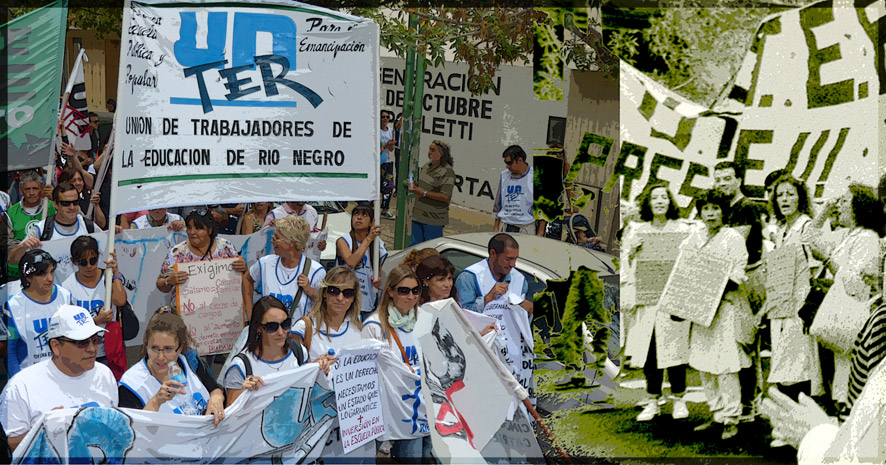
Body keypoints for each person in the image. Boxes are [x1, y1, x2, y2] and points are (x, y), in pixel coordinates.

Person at [622, 183, 698, 422]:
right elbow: (625, 265)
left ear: (670, 201)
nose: (660, 201)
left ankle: (679, 399)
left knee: (675, 351)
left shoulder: (683, 229)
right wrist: (631, 253)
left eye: (664, 197)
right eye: (654, 198)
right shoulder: (637, 231)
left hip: (673, 299)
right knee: (650, 353)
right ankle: (653, 400)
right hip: (647, 300)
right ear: (648, 203)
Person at [679, 190, 752, 440]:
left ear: (724, 211)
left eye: (716, 208)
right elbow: (684, 268)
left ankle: (732, 417)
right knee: (703, 364)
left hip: (725, 307)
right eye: (706, 208)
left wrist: (714, 288)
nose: (711, 213)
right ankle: (717, 413)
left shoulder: (733, 237)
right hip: (700, 310)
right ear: (700, 212)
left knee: (726, 365)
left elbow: (739, 273)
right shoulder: (694, 236)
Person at [804, 183, 880, 414]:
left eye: (845, 201)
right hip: (834, 310)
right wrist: (825, 209)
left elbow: (856, 283)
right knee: (834, 371)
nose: (840, 206)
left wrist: (828, 260)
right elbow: (809, 237)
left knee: (845, 373)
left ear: (859, 207)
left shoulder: (867, 238)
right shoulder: (846, 235)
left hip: (849, 314)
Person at [0, 305, 117, 452]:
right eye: (82, 342)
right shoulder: (21, 386)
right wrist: (43, 430)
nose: (92, 349)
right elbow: (13, 444)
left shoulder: (104, 374)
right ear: (56, 346)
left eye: (95, 340)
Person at [757, 176, 822, 408]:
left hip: (800, 306)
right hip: (780, 307)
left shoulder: (806, 226)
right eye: (780, 195)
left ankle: (800, 420)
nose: (785, 199)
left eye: (790, 194)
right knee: (784, 362)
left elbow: (819, 266)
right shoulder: (781, 230)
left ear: (800, 198)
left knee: (799, 364)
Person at [362, 265, 431, 462]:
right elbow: (364, 372)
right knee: (366, 460)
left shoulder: (424, 321)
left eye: (415, 290)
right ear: (390, 291)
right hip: (381, 408)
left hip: (412, 408)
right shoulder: (374, 326)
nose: (411, 296)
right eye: (404, 290)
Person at [454, 233, 534, 399]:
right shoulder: (470, 278)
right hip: (480, 357)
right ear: (492, 254)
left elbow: (523, 323)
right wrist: (487, 299)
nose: (513, 264)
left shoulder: (519, 280)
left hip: (510, 360)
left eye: (515, 259)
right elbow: (461, 317)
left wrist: (528, 311)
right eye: (508, 259)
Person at [118, 307, 226, 426]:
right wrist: (156, 402)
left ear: (180, 348)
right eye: (154, 348)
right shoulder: (132, 385)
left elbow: (215, 388)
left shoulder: (191, 362)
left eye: (168, 349)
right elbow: (131, 432)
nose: (160, 357)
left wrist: (217, 397)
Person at [223, 296, 309, 407]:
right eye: (272, 327)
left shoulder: (299, 352)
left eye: (285, 324)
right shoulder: (241, 367)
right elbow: (230, 415)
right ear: (258, 328)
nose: (281, 332)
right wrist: (243, 392)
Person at [242, 215, 326, 320]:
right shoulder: (265, 263)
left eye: (277, 238)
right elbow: (247, 279)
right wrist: (251, 315)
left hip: (299, 335)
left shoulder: (316, 271)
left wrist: (310, 290)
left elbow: (326, 303)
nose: (272, 241)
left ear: (291, 242)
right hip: (269, 333)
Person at [5, 250, 73, 376]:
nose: (50, 278)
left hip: (64, 373)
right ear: (28, 277)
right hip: (29, 376)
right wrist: (19, 382)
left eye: (52, 271)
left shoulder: (66, 297)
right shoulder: (14, 307)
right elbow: (11, 353)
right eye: (42, 274)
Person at [61, 236, 128, 363]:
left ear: (99, 256)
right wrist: (97, 320)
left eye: (93, 260)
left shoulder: (109, 277)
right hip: (82, 353)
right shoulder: (67, 287)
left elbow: (120, 301)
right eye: (83, 262)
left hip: (111, 350)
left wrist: (116, 273)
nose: (89, 266)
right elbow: (69, 327)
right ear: (73, 262)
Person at [156, 208, 247, 300]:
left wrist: (243, 268)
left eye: (198, 228)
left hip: (221, 307)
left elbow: (240, 276)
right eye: (189, 228)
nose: (192, 232)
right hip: (187, 309)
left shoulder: (226, 246)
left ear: (210, 230)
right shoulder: (177, 253)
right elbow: (160, 283)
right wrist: (168, 281)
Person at [10, 182, 101, 266]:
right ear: (55, 204)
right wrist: (23, 247)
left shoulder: (88, 226)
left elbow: (107, 248)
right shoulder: (42, 228)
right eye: (66, 203)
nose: (72, 207)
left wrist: (115, 233)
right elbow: (13, 260)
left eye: (75, 202)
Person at [335, 204, 387, 317]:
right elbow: (351, 262)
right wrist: (369, 239)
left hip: (368, 301)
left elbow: (377, 272)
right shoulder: (343, 241)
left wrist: (377, 280)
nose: (359, 217)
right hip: (346, 301)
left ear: (371, 222)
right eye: (356, 214)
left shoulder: (378, 245)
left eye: (364, 215)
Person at [4, 171, 55, 278]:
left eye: (35, 189)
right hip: (18, 271)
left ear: (41, 189)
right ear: (21, 191)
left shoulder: (52, 206)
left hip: (47, 268)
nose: (31, 193)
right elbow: (8, 243)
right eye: (27, 189)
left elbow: (74, 217)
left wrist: (56, 197)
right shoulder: (11, 213)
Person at [408, 140, 455, 245]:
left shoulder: (447, 172)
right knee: (415, 247)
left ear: (441, 154)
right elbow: (424, 186)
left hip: (433, 220)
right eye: (429, 149)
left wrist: (423, 193)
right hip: (418, 216)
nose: (429, 152)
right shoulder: (426, 166)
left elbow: (446, 196)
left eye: (433, 150)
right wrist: (415, 185)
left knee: (430, 248)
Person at [493, 145, 540, 236]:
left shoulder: (536, 177)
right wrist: (496, 227)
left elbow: (542, 209)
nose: (507, 166)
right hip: (505, 225)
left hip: (526, 227)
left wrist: (540, 233)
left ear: (520, 160)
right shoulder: (504, 175)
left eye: (510, 163)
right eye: (505, 163)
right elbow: (498, 204)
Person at [380, 110, 397, 220]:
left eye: (387, 117)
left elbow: (391, 149)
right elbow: (378, 149)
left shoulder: (391, 131)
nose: (385, 119)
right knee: (377, 186)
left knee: (389, 186)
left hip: (388, 162)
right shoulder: (376, 131)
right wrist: (386, 145)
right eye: (383, 117)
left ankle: (385, 209)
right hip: (378, 162)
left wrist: (390, 145)